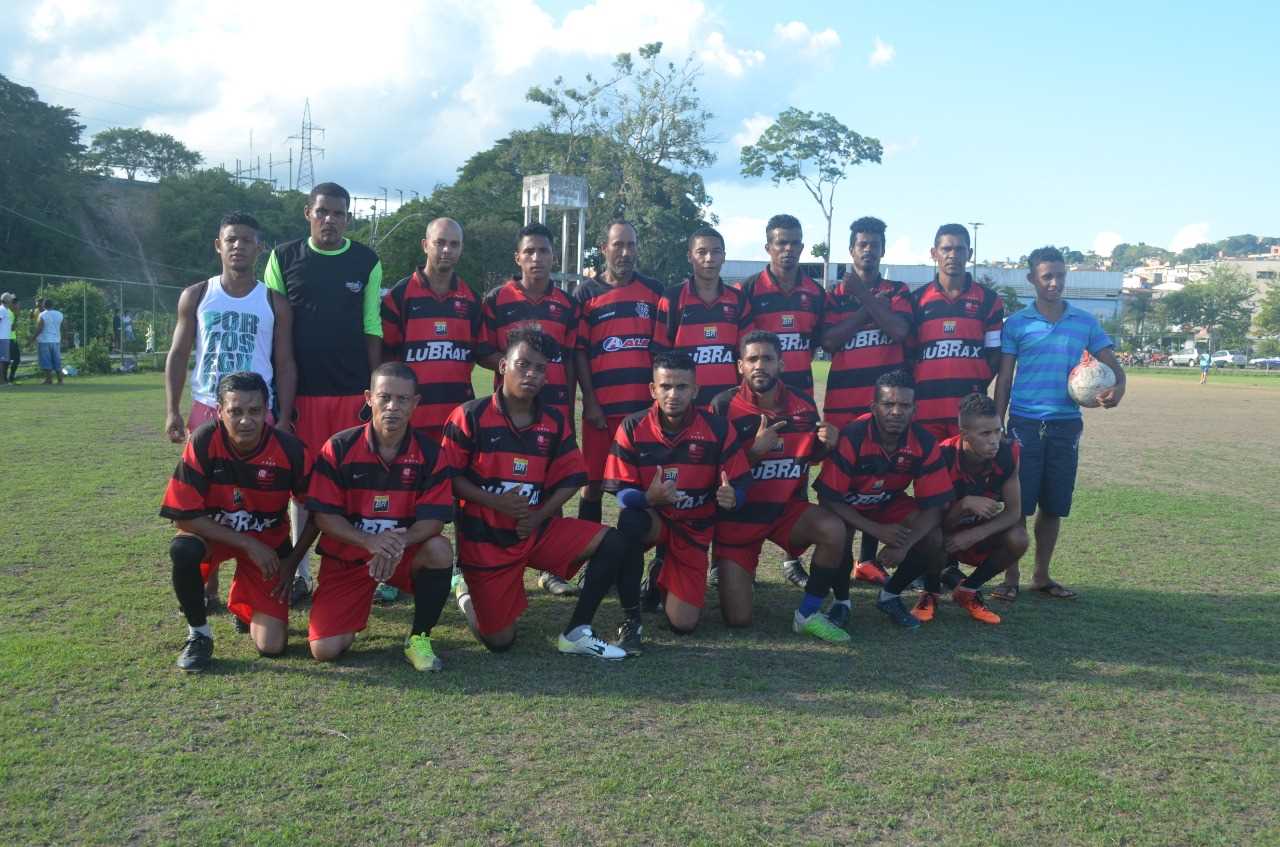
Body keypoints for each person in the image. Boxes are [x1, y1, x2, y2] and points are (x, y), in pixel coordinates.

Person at [440, 329, 629, 660]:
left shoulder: (554, 420)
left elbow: (574, 477)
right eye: (523, 365)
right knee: (499, 641)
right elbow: (448, 478)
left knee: (613, 541)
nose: (531, 374)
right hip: (486, 541)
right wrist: (494, 501)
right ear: (502, 366)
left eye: (539, 369)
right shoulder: (469, 415)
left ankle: (576, 631)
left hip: (534, 530)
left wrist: (540, 516)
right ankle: (466, 592)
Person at [264, 182, 384, 606]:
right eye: (322, 212)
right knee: (304, 486)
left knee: (355, 483)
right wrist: (282, 398)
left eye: (338, 214)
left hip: (352, 392)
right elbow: (277, 330)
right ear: (307, 213)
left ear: (348, 218)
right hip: (303, 395)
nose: (330, 220)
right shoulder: (283, 258)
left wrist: (373, 389)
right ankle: (300, 573)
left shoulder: (366, 260)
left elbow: (372, 326)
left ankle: (367, 568)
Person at [993, 246, 1125, 601]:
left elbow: (1113, 367)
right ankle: (1011, 575)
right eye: (1047, 276)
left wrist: (1119, 389)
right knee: (1018, 506)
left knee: (1054, 506)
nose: (1054, 283)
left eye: (1060, 276)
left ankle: (1041, 575)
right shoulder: (1017, 324)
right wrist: (998, 424)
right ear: (1032, 278)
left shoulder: (1084, 322)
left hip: (1066, 426)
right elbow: (1004, 380)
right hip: (1024, 424)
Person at [159, 372, 316, 672]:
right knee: (183, 550)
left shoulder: (290, 449)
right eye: (236, 411)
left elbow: (319, 512)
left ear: (267, 411)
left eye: (254, 411)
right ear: (220, 411)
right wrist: (247, 542)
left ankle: (243, 601)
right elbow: (183, 514)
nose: (246, 420)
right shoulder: (205, 440)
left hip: (269, 549)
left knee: (272, 646)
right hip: (215, 539)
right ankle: (199, 636)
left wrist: (292, 562)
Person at [304, 363, 456, 669]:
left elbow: (434, 521)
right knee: (326, 650)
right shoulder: (338, 447)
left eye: (402, 400)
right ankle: (349, 616)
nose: (392, 407)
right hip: (348, 559)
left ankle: (419, 638)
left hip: (402, 555)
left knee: (439, 549)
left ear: (415, 403)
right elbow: (323, 517)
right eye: (385, 397)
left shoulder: (431, 453)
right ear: (368, 398)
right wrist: (368, 541)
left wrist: (395, 544)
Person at [708, 332, 849, 642]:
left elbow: (808, 456)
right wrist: (754, 453)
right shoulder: (723, 405)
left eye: (767, 359)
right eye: (752, 359)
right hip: (739, 520)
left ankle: (808, 614)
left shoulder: (803, 404)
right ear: (740, 366)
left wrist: (827, 446)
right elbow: (707, 470)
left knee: (833, 529)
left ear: (781, 364)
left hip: (784, 511)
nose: (760, 366)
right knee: (739, 620)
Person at [603, 351, 752, 640]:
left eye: (682, 387)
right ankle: (632, 616)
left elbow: (741, 481)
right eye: (666, 386)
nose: (674, 394)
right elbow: (621, 494)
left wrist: (735, 496)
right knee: (630, 521)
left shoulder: (718, 428)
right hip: (655, 520)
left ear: (695, 390)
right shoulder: (633, 426)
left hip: (694, 529)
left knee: (683, 624)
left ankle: (661, 572)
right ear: (653, 389)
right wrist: (648, 499)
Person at [475, 222, 580, 597]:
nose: (537, 258)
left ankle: (551, 569)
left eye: (544, 252)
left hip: (553, 410)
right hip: (508, 411)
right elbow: (483, 350)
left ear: (555, 257)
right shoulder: (496, 300)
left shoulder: (568, 305)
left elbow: (569, 360)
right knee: (500, 481)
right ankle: (478, 559)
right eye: (530, 252)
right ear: (518, 257)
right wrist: (514, 368)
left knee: (551, 482)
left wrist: (568, 406)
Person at [812, 369, 954, 629]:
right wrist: (877, 531)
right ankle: (841, 602)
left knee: (933, 538)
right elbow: (829, 497)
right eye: (888, 404)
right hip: (848, 503)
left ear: (915, 409)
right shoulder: (853, 435)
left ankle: (890, 595)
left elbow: (935, 507)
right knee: (837, 534)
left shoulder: (923, 441)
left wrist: (904, 544)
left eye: (904, 405)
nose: (896, 412)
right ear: (874, 406)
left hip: (888, 501)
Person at [819, 216, 915, 590]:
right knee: (841, 485)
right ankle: (837, 562)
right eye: (863, 244)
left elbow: (899, 330)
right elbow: (829, 341)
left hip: (885, 407)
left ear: (883, 249)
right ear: (852, 249)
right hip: (844, 406)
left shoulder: (898, 290)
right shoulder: (833, 296)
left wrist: (863, 295)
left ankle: (868, 561)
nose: (869, 250)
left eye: (875, 244)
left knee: (881, 479)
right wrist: (863, 301)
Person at [164, 211, 297, 441]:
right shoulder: (196, 295)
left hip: (256, 411)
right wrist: (172, 410)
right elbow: (178, 354)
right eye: (231, 240)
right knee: (202, 477)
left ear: (259, 247)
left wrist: (284, 417)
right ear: (218, 245)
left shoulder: (275, 303)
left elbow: (285, 364)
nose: (238, 246)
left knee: (259, 478)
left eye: (247, 241)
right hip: (207, 406)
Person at [573, 221, 663, 527]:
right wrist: (591, 402)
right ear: (604, 249)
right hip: (602, 410)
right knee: (593, 484)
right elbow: (579, 352)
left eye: (631, 245)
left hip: (644, 411)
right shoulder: (586, 292)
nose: (625, 252)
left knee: (641, 485)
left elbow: (663, 350)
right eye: (618, 245)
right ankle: (591, 562)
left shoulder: (654, 290)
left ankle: (633, 562)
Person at [381, 217, 482, 442]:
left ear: (461, 248)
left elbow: (474, 354)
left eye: (454, 244)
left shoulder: (472, 299)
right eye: (440, 242)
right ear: (425, 245)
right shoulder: (399, 296)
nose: (447, 250)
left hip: (458, 419)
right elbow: (385, 357)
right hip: (409, 419)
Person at [933, 393, 1029, 625]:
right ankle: (932, 588)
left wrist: (974, 534)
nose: (994, 440)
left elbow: (1014, 512)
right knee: (930, 538)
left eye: (997, 431)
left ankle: (969, 589)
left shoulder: (1009, 453)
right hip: (943, 532)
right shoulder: (942, 456)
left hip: (976, 532)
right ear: (964, 434)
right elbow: (931, 519)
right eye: (985, 433)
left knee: (1018, 538)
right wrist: (964, 504)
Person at [908, 223, 1004, 440]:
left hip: (971, 413)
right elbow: (908, 353)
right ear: (934, 254)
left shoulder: (989, 300)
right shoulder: (916, 300)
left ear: (969, 254)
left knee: (968, 473)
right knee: (929, 472)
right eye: (946, 249)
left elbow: (995, 354)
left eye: (959, 249)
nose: (953, 255)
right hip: (926, 410)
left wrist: (976, 385)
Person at [653, 226, 750, 407]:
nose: (709, 259)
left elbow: (747, 355)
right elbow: (660, 358)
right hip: (684, 407)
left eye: (716, 252)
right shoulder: (671, 298)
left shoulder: (738, 299)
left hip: (728, 406)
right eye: (701, 252)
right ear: (690, 256)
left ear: (724, 256)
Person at [738, 214, 828, 395]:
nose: (789, 249)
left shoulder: (816, 292)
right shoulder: (746, 290)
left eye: (795, 243)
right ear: (768, 248)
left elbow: (816, 344)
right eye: (781, 243)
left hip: (802, 393)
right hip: (758, 394)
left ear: (802, 248)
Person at [34, 298, 65, 385]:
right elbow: (63, 326)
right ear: (53, 305)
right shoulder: (59, 314)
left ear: (44, 305)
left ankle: (49, 379)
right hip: (56, 341)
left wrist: (32, 338)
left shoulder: (42, 315)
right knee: (57, 360)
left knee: (46, 361)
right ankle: (60, 380)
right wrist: (65, 337)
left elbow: (40, 328)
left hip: (44, 340)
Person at [4, 295, 19, 383]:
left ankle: (9, 377)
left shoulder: (10, 312)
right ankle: (7, 378)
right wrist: (17, 316)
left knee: (12, 360)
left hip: (12, 338)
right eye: (17, 304)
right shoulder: (10, 313)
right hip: (9, 339)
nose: (18, 306)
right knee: (10, 360)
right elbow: (12, 328)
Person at [0, 292, 13, 386]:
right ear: (8, 300)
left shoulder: (5, 310)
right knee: (1, 360)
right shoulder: (2, 310)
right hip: (2, 338)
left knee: (4, 361)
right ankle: (1, 381)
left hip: (4, 338)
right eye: (11, 300)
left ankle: (3, 380)